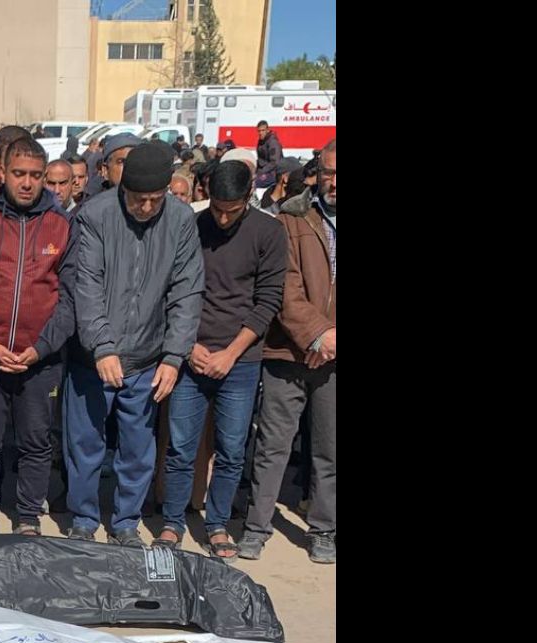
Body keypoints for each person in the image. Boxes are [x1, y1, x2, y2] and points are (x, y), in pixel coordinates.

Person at [62, 140, 203, 546]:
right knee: (85, 446)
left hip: (147, 359)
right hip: (94, 360)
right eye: (137, 199)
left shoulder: (179, 221)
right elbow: (85, 287)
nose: (145, 207)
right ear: (122, 188)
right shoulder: (95, 216)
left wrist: (174, 356)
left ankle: (125, 522)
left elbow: (186, 292)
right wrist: (102, 346)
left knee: (138, 451)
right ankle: (84, 519)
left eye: (154, 199)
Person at [159, 161, 288, 561]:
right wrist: (188, 346)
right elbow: (172, 290)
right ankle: (172, 521)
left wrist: (231, 353)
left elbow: (267, 300)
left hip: (241, 360)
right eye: (216, 207)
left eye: (232, 209)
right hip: (191, 353)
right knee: (181, 448)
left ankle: (216, 524)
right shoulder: (191, 226)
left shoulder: (269, 232)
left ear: (249, 196)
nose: (223, 216)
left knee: (232, 450)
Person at [0, 137, 76, 536]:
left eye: (35, 175)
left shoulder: (61, 226)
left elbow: (69, 299)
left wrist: (40, 348)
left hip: (39, 360)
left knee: (35, 442)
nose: (27, 183)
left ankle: (28, 517)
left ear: (45, 176)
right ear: (1, 173)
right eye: (18, 174)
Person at [238, 139, 334, 564]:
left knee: (328, 451)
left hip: (334, 358)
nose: (333, 181)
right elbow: (284, 288)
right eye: (329, 172)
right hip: (287, 353)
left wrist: (330, 340)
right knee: (272, 447)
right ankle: (257, 528)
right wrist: (316, 335)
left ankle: (324, 529)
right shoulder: (291, 217)